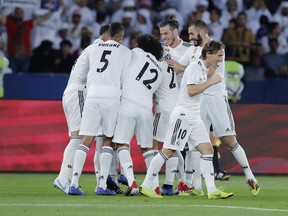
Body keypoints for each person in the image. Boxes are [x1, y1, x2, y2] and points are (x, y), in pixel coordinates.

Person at [172, 20, 260, 196]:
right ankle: (195, 186)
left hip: (216, 98)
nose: (189, 38)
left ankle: (250, 176)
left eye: (191, 34)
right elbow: (177, 67)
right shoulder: (192, 50)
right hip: (199, 100)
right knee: (197, 143)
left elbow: (207, 72)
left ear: (202, 32)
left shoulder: (216, 50)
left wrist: (185, 68)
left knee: (229, 140)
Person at [140, 40, 233, 200]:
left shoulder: (203, 68)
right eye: (219, 55)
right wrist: (211, 82)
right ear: (209, 54)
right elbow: (191, 91)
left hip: (194, 118)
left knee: (208, 151)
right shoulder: (195, 67)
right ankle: (146, 185)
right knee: (168, 151)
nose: (220, 59)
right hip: (183, 116)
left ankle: (212, 190)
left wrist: (210, 76)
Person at [68, 22, 132, 196]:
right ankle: (102, 186)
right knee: (107, 141)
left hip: (92, 95)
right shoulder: (126, 52)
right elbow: (125, 79)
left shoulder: (91, 48)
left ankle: (73, 183)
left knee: (86, 139)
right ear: (120, 36)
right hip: (112, 97)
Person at [112, 33, 164, 196]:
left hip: (128, 103)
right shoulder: (159, 69)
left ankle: (131, 182)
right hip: (146, 109)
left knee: (122, 144)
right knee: (147, 148)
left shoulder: (135, 53)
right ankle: (154, 186)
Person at [158, 15, 191, 195]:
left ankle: (187, 182)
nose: (164, 37)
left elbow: (202, 71)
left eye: (166, 33)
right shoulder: (160, 50)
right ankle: (182, 182)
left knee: (184, 145)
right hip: (169, 102)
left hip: (186, 102)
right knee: (173, 144)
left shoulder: (189, 49)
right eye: (162, 34)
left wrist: (182, 67)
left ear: (175, 32)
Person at [0, 7, 54, 73]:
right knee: (12, 77)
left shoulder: (27, 24)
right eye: (17, 13)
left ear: (23, 14)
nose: (19, 14)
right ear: (14, 14)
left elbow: (42, 19)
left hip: (25, 58)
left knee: (24, 77)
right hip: (12, 57)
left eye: (21, 13)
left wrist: (53, 10)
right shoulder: (9, 22)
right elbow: (1, 17)